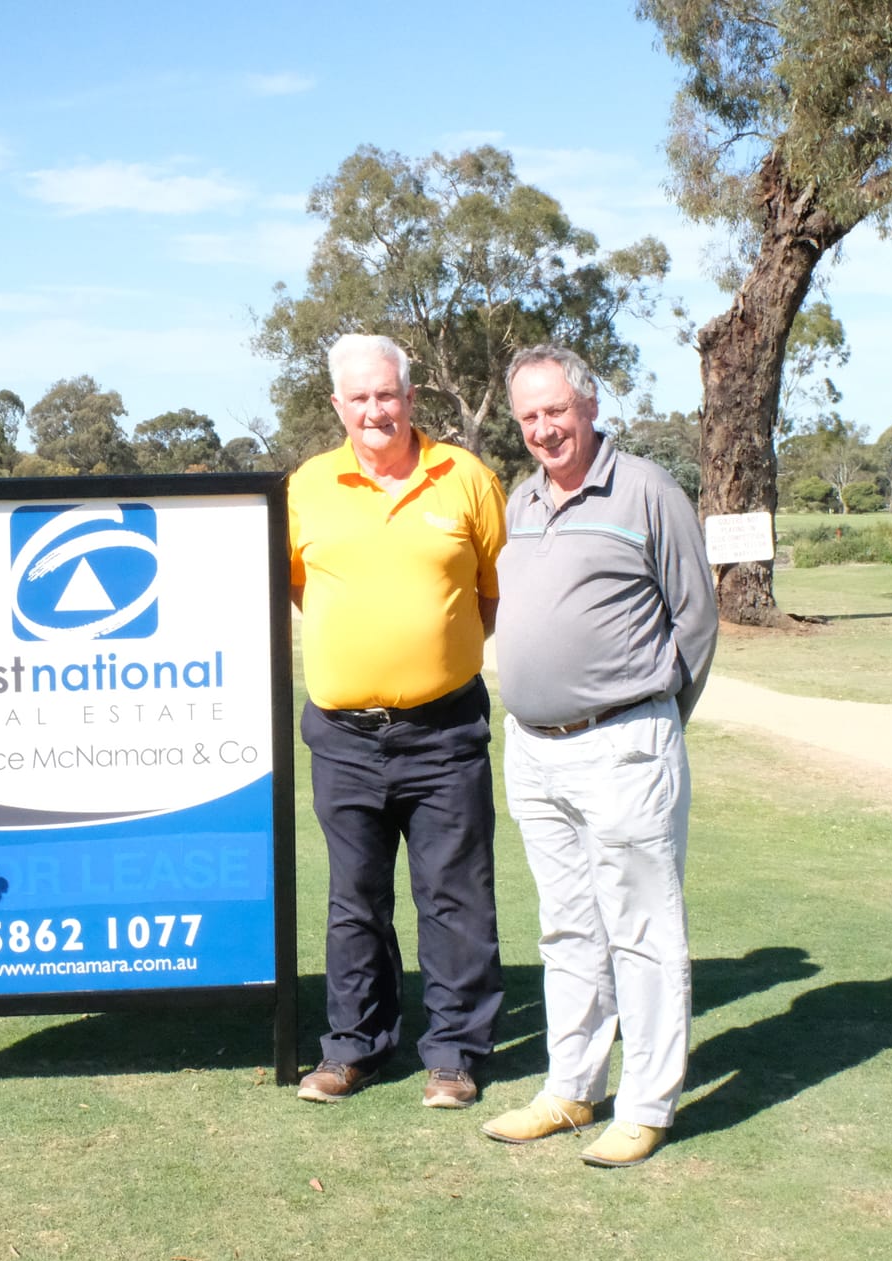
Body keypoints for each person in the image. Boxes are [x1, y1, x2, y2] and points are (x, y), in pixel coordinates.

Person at [482, 345, 717, 1167]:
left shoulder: (647, 489)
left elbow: (696, 618)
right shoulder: (521, 501)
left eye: (556, 411)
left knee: (642, 927)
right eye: (529, 416)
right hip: (535, 750)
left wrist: (653, 719)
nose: (544, 429)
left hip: (623, 742)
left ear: (588, 407)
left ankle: (648, 1102)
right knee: (568, 926)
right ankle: (572, 1087)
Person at [286, 333, 507, 1108]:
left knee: (454, 894)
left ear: (412, 398)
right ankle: (353, 1046)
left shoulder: (467, 477)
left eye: (388, 395)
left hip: (445, 731)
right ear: (337, 405)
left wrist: (431, 655)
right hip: (343, 735)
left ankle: (453, 1053)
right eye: (360, 397)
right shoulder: (308, 485)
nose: (375, 409)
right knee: (355, 898)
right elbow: (302, 589)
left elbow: (492, 590)